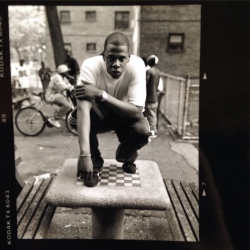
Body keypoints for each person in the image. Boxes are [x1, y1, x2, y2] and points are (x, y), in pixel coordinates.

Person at [68, 32, 151, 187]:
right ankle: (94, 163)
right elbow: (83, 111)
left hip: (124, 114)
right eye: (111, 57)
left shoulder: (137, 65)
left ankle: (126, 156)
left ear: (129, 57)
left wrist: (101, 94)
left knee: (143, 130)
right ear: (103, 56)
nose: (116, 64)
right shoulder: (90, 66)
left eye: (122, 58)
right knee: (76, 117)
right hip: (100, 115)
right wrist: (84, 154)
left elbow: (136, 112)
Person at [144, 55, 161, 138]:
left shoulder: (149, 71)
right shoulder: (158, 72)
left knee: (150, 116)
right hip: (155, 98)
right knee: (153, 115)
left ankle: (152, 132)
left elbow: (145, 83)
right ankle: (154, 131)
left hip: (149, 97)